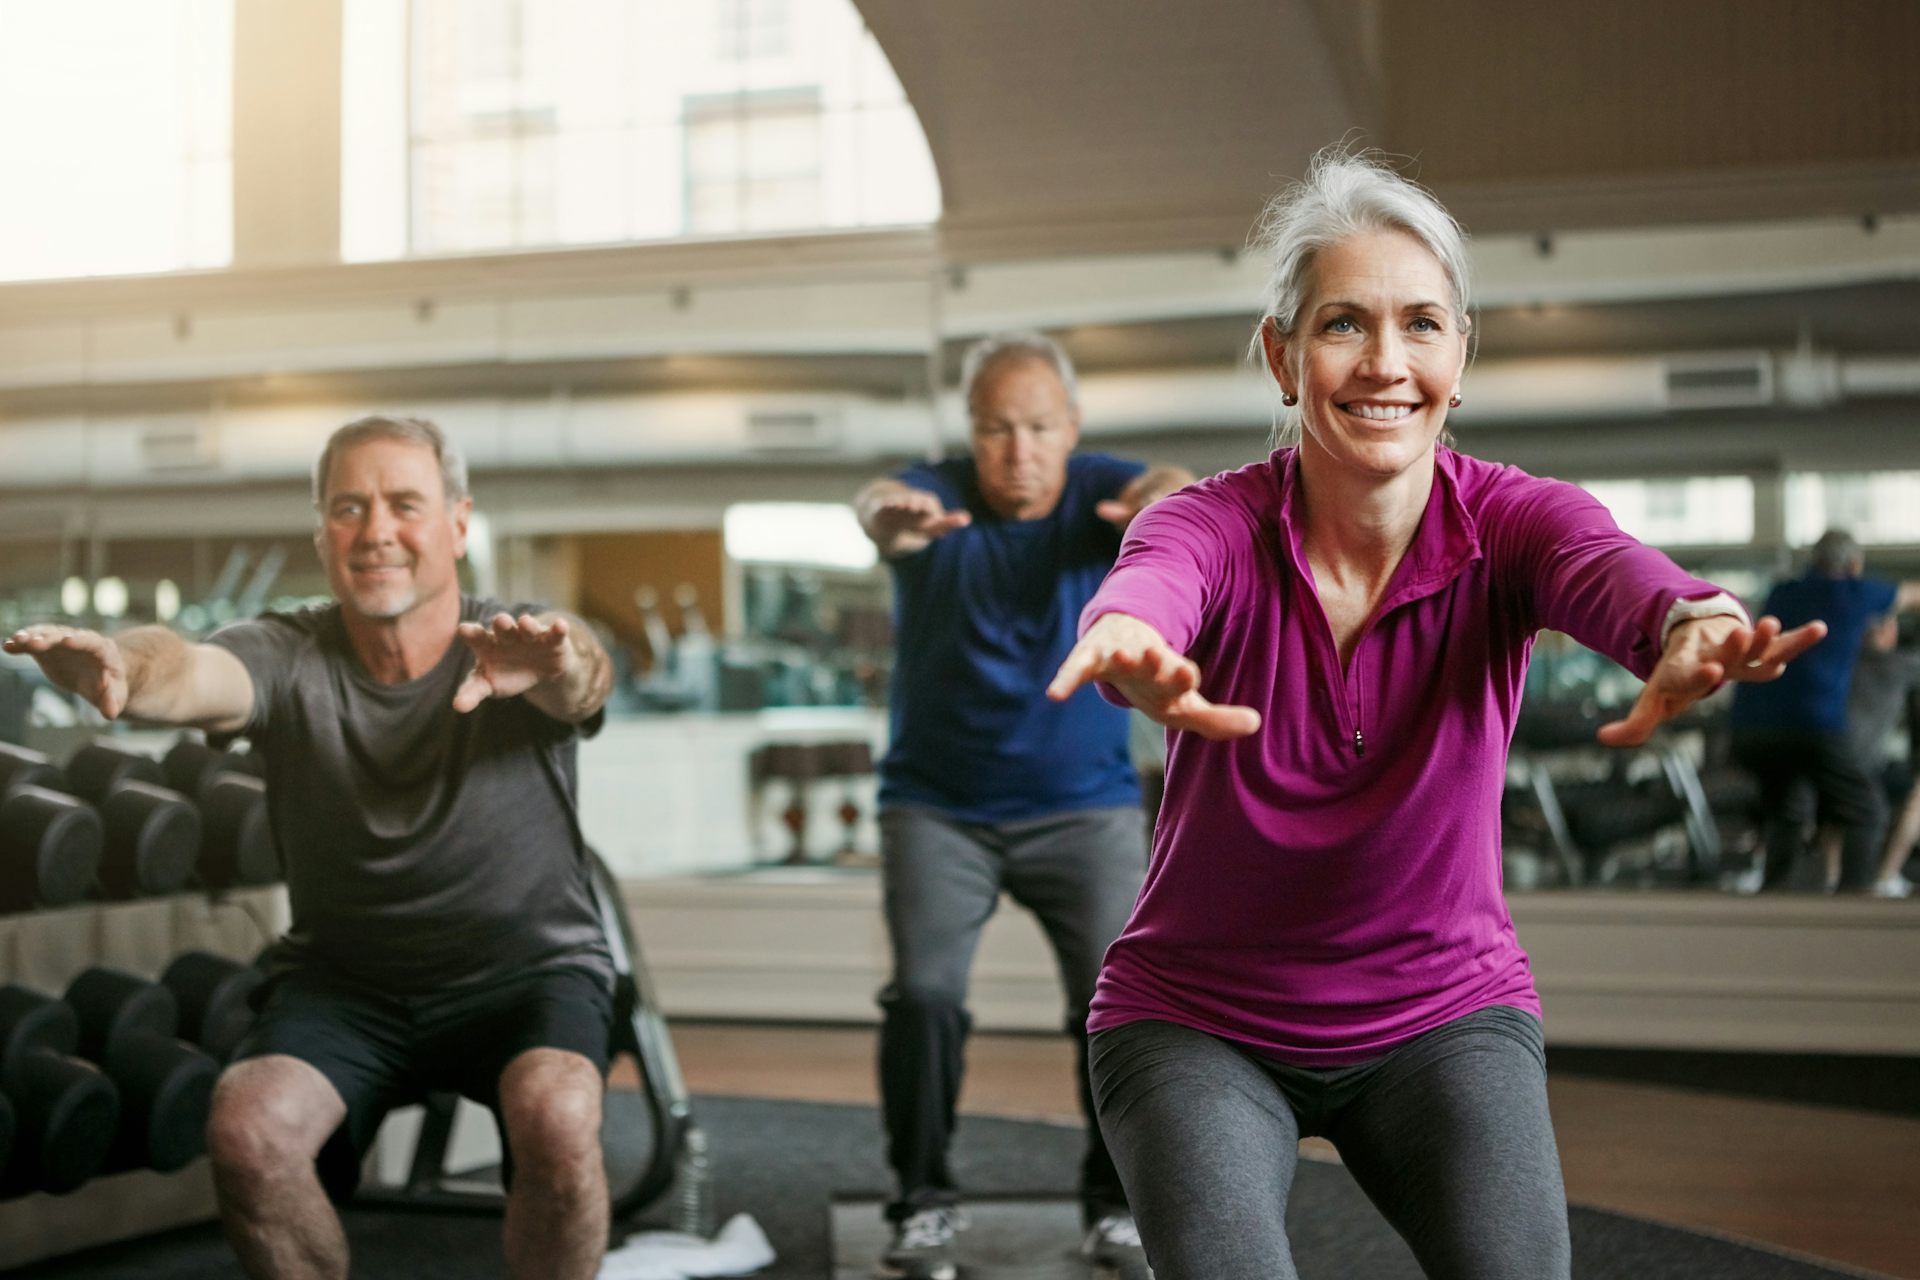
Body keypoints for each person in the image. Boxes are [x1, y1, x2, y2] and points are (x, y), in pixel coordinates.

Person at [1043, 148, 1823, 1280]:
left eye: (1420, 324)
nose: (1385, 363)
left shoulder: (1513, 522)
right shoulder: (1213, 523)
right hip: (1199, 1016)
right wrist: (1130, 642)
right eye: (1342, 325)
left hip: (1441, 1010)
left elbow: (1609, 566)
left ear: (1461, 356)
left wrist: (1690, 617)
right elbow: (1156, 580)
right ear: (1281, 355)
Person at [5, 415, 617, 1280]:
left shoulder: (514, 643)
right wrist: (123, 664)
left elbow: (584, 672)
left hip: (526, 973)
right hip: (349, 982)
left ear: (457, 521)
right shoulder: (291, 653)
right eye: (348, 507)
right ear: (321, 530)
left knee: (558, 1116)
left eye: (405, 504)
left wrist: (560, 664)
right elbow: (184, 668)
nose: (376, 532)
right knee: (248, 1129)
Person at [853, 332, 1192, 1279]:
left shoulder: (1101, 490)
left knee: (1120, 1004)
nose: (1018, 451)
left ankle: (1113, 1201)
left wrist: (1162, 500)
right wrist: (889, 515)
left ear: (1071, 427)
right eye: (996, 430)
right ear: (971, 432)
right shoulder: (939, 496)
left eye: (1039, 428)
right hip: (937, 810)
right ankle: (921, 1200)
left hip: (1081, 810)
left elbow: (1175, 480)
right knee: (923, 997)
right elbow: (878, 505)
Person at [1730, 531, 1920, 892]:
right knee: (1867, 811)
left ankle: (1774, 898)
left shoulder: (1782, 592)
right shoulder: (1852, 591)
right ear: (1854, 565)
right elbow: (1912, 594)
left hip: (1749, 728)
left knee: (1787, 811)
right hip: (1810, 726)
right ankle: (1853, 907)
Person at [1843, 614, 1920, 896]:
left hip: (1839, 758)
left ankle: (1831, 875)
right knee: (1917, 798)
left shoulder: (1844, 663)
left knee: (1836, 803)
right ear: (1888, 632)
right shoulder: (1901, 665)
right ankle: (1886, 876)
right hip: (1868, 765)